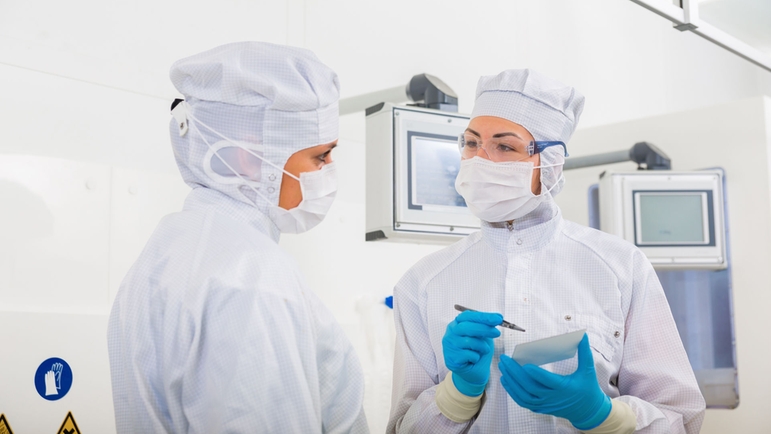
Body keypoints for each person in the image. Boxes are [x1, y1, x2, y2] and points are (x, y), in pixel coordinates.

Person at [387, 69, 705, 433]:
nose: (481, 160)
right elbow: (402, 429)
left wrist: (604, 416)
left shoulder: (620, 267)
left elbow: (679, 417)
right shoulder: (424, 282)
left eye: (504, 146)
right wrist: (457, 395)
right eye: (472, 143)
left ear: (550, 164)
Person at [107, 42, 368, 433]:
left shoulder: (163, 254)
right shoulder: (253, 278)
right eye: (320, 156)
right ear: (248, 156)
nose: (330, 170)